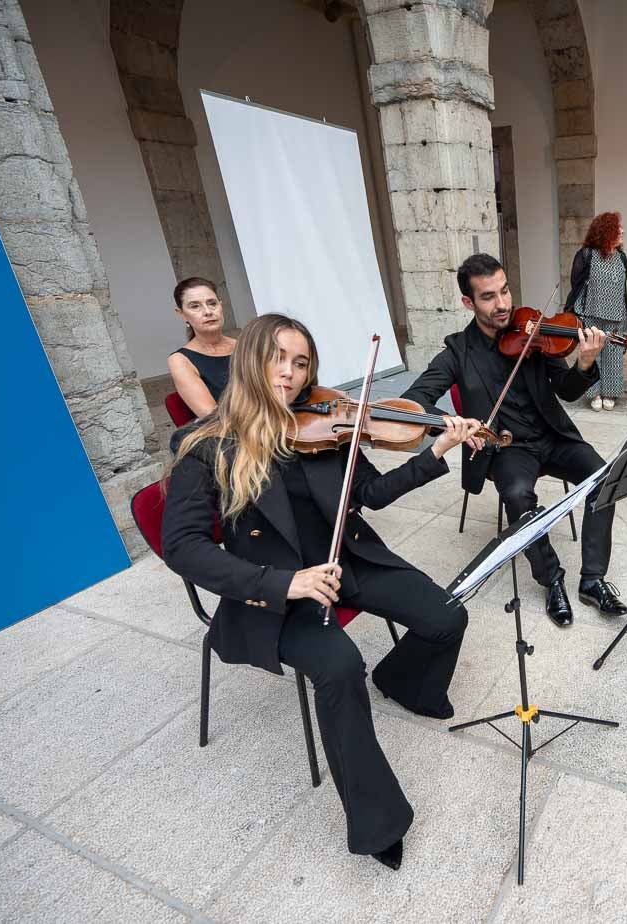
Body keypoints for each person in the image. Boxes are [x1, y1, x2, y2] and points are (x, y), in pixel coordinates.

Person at [162, 313, 482, 871]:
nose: (288, 373)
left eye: (301, 362)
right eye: (277, 358)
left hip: (347, 559)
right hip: (276, 595)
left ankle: (403, 680)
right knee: (338, 668)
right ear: (250, 360)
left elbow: (371, 495)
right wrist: (286, 583)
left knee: (447, 616)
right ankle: (377, 820)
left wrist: (433, 454)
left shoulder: (325, 424)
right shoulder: (207, 445)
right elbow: (184, 548)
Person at [402, 254, 627, 626]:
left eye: (505, 291)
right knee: (518, 494)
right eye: (489, 297)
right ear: (468, 303)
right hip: (506, 448)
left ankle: (592, 579)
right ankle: (551, 578)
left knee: (605, 478)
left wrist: (585, 364)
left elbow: (568, 392)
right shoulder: (458, 351)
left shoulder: (534, 331)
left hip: (552, 436)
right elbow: (416, 400)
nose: (503, 304)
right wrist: (450, 424)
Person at [566, 212, 627, 410]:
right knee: (593, 354)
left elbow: (622, 289)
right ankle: (594, 394)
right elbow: (576, 284)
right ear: (605, 231)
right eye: (617, 228)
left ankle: (609, 392)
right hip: (591, 313)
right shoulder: (587, 255)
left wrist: (625, 319)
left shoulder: (622, 257)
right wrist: (578, 313)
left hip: (616, 315)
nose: (622, 231)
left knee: (613, 355)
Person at [166, 277, 235, 418]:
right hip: (228, 433)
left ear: (221, 306)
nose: (208, 311)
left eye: (212, 303)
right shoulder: (180, 361)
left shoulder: (245, 345)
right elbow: (212, 417)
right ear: (182, 314)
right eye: (195, 306)